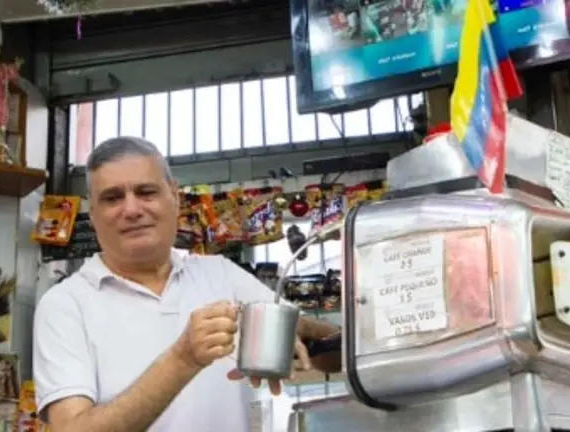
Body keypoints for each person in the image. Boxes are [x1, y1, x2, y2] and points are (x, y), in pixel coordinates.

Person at [33, 137, 340, 432]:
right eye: (112, 198)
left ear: (175, 197)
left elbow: (332, 357)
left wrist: (297, 331)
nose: (132, 210)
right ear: (93, 213)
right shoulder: (65, 305)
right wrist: (184, 358)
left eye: (146, 192)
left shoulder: (219, 273)